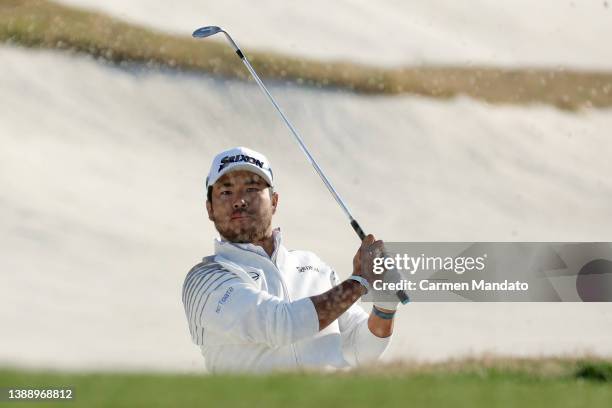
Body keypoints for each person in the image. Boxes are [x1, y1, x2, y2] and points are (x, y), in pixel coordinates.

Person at [182, 146, 401, 373]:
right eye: (226, 192)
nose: (239, 201)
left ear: (274, 201)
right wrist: (359, 282)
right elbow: (282, 325)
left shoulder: (312, 265)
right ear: (209, 208)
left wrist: (386, 304)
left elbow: (360, 348)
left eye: (251, 188)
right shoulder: (205, 280)